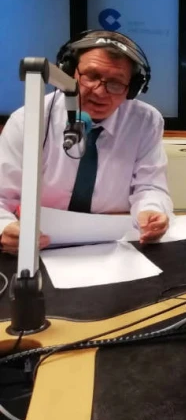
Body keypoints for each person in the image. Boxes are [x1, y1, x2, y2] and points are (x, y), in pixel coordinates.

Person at [0, 30, 172, 254]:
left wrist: (150, 212)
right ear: (69, 72)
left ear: (132, 89)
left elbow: (150, 186)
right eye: (91, 76)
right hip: (40, 243)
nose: (100, 92)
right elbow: (2, 195)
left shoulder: (145, 121)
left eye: (116, 83)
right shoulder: (29, 119)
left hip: (114, 246)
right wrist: (4, 228)